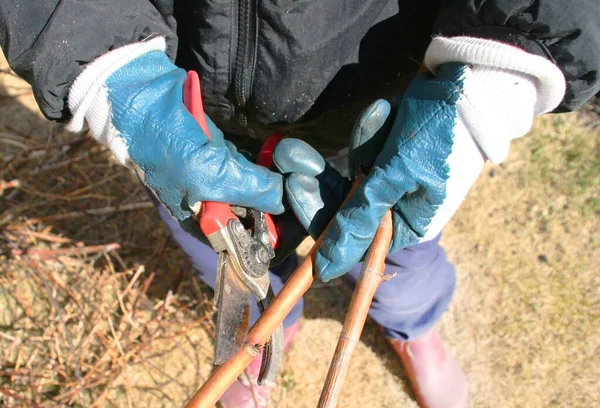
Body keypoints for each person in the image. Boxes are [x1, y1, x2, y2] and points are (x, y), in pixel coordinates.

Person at [1, 1, 598, 407]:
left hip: (377, 108)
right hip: (184, 108)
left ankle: (412, 327)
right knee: (225, 257)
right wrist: (112, 72)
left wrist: (496, 79)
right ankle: (263, 335)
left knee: (396, 255)